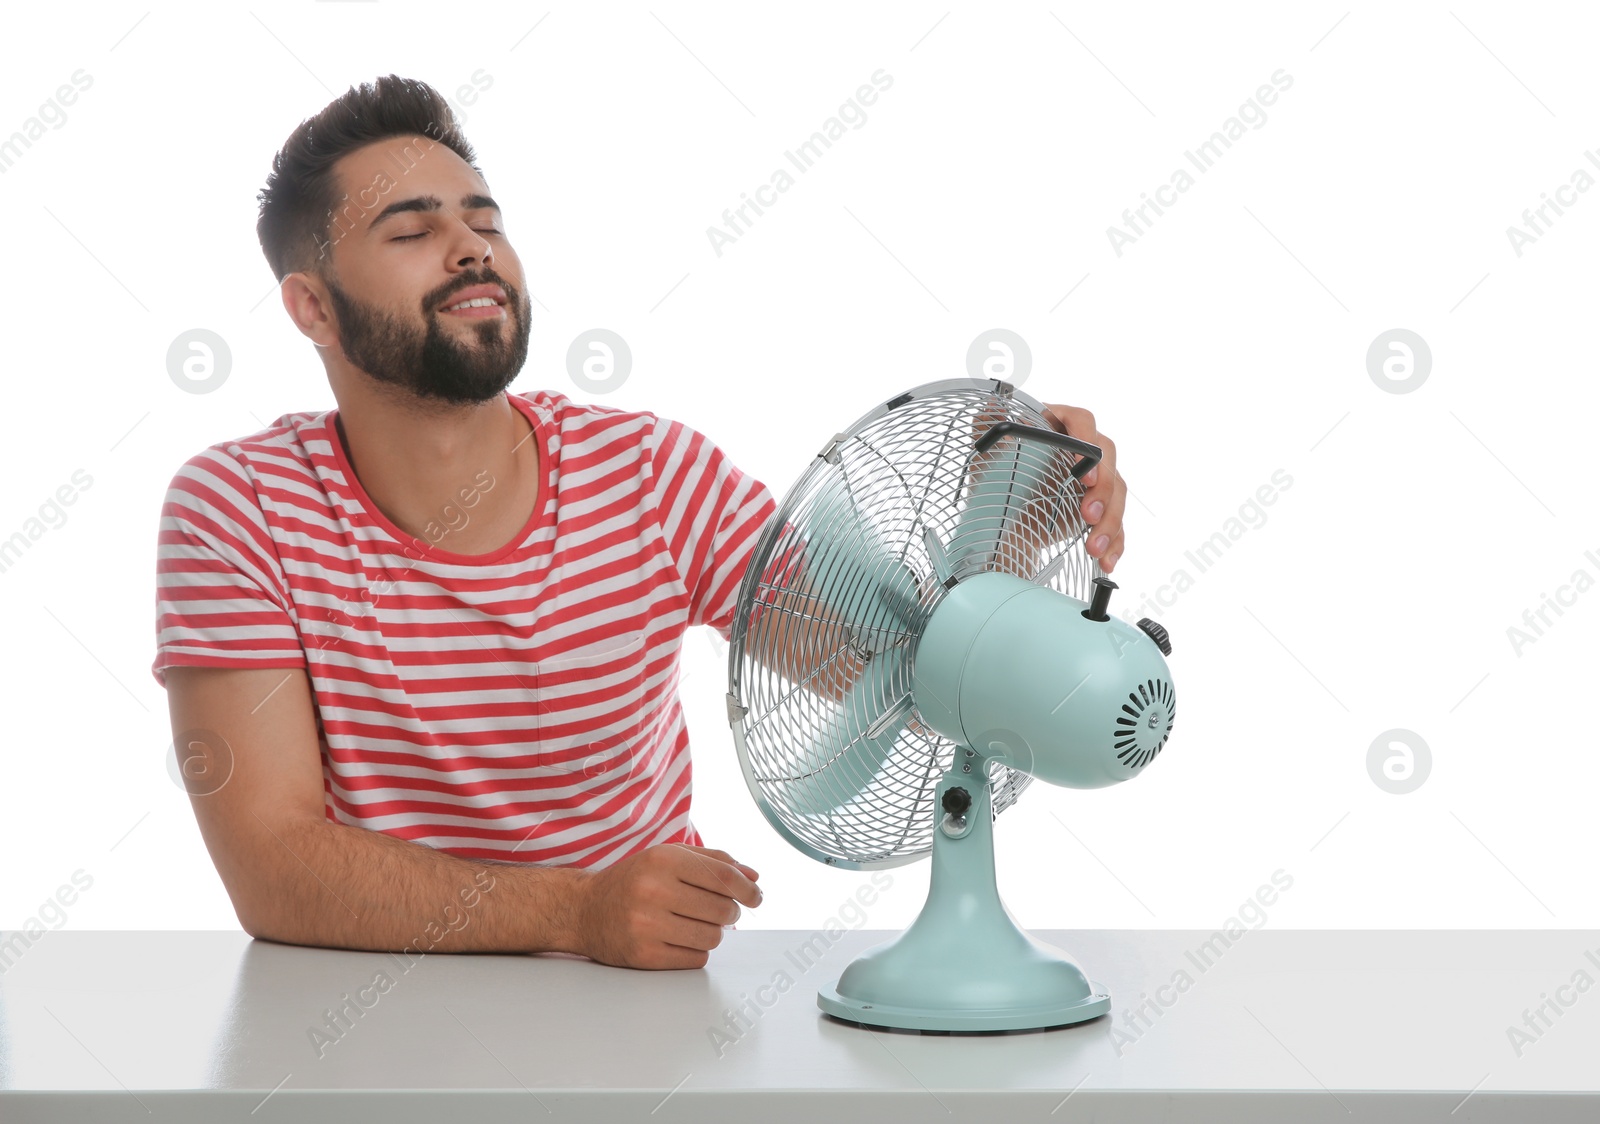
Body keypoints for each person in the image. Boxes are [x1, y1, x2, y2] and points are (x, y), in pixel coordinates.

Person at [153, 76, 1128, 971]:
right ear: (311, 307)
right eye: (410, 232)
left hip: (642, 1011)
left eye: (483, 218)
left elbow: (898, 673)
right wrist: (576, 911)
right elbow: (274, 866)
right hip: (365, 1027)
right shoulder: (238, 509)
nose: (471, 248)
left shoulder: (652, 474)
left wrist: (1012, 515)